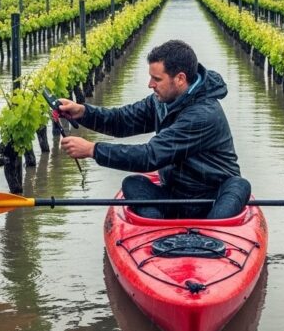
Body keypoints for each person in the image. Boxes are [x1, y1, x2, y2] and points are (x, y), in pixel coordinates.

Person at [58, 40, 251, 219]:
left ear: (180, 79)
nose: (150, 84)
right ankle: (156, 234)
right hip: (175, 195)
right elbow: (122, 120)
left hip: (212, 199)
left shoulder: (203, 115)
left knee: (239, 186)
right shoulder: (161, 102)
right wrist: (82, 112)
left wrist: (93, 150)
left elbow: (150, 156)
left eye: (156, 79)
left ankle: (212, 236)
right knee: (132, 184)